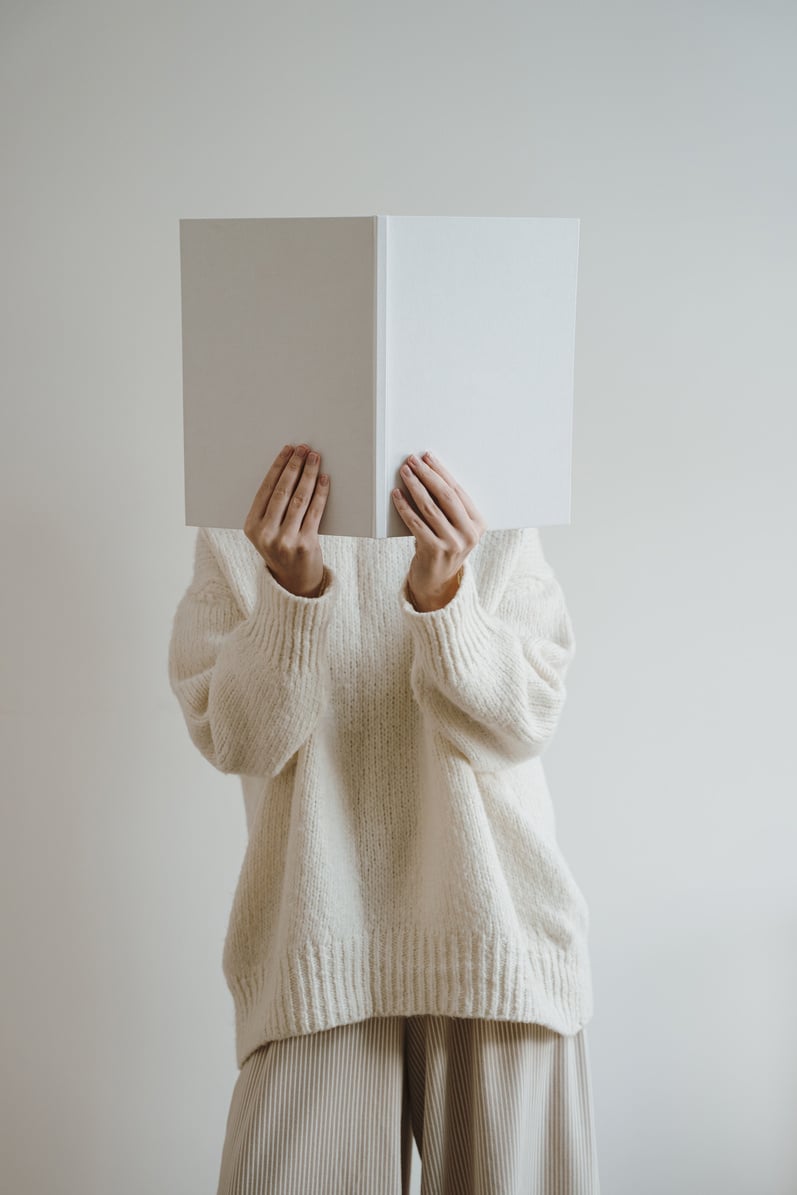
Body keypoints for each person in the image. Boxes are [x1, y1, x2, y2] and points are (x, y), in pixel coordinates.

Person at [168, 441, 600, 1194]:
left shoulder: (489, 499)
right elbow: (238, 736)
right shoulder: (245, 521)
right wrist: (292, 593)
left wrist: (443, 598)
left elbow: (524, 719)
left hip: (496, 939)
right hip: (317, 945)